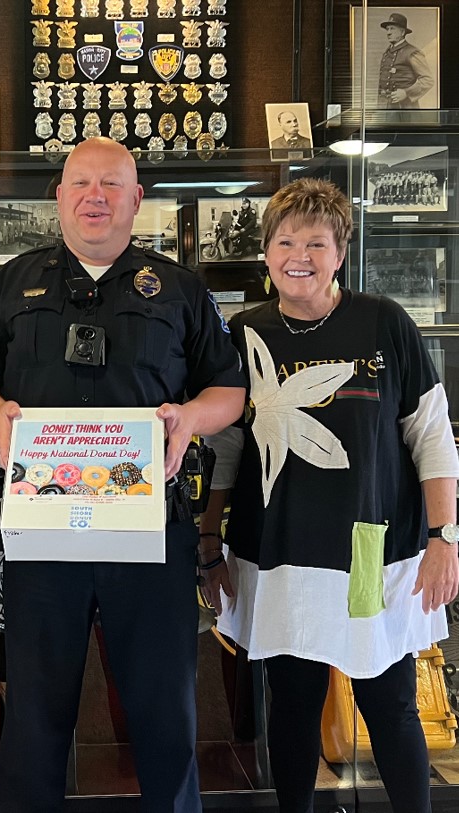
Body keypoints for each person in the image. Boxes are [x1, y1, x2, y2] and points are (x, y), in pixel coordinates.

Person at [0, 137, 245, 813]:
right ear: (57, 195)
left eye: (111, 184)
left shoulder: (178, 289)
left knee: (164, 712)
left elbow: (226, 390)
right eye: (81, 182)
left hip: (146, 533)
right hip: (42, 531)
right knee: (33, 716)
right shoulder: (13, 282)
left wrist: (189, 418)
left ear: (136, 199)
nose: (95, 196)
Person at [198, 178, 459, 813]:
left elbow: (431, 435)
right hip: (277, 549)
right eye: (286, 241)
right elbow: (227, 450)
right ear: (266, 253)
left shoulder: (383, 322)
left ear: (340, 253)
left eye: (317, 243)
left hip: (369, 547)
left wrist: (443, 537)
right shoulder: (243, 333)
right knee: (290, 705)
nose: (300, 256)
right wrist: (210, 541)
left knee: (387, 700)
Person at [377, 12, 433, 110]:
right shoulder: (387, 53)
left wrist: (406, 92)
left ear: (402, 32)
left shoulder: (412, 52)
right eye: (387, 29)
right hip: (386, 108)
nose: (388, 32)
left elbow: (427, 80)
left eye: (392, 29)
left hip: (404, 108)